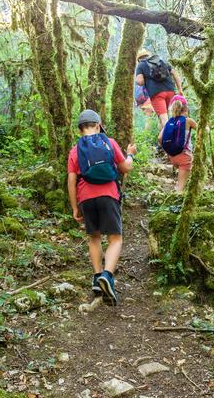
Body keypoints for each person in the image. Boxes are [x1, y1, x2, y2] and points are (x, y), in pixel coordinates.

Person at [67, 109, 137, 304]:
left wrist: (75, 207)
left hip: (86, 198)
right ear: (98, 126)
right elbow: (125, 168)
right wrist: (131, 155)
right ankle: (108, 275)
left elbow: (71, 181)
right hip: (108, 196)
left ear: (80, 129)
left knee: (94, 237)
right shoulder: (110, 142)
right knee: (115, 238)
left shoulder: (75, 151)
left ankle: (97, 278)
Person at [135, 48, 184, 128]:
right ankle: (163, 138)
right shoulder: (161, 61)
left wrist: (142, 80)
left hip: (157, 94)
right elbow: (175, 73)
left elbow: (140, 81)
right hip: (170, 91)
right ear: (148, 55)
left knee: (164, 119)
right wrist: (180, 89)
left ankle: (171, 139)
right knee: (165, 116)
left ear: (139, 59)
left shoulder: (141, 65)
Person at [159, 95, 198, 192]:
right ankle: (177, 204)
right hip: (185, 156)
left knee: (183, 183)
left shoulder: (169, 121)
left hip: (173, 157)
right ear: (186, 108)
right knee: (180, 188)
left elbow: (159, 138)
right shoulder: (188, 121)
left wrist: (168, 152)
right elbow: (205, 130)